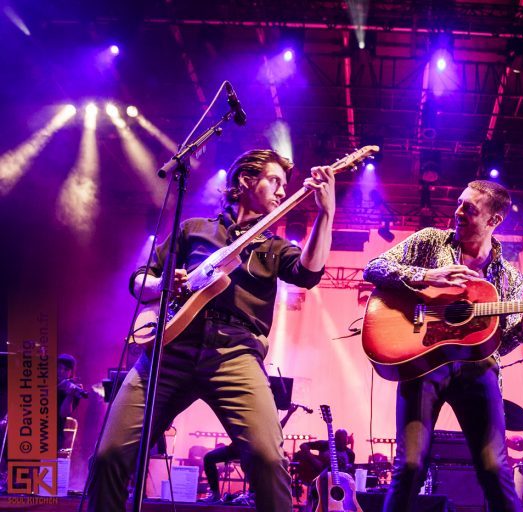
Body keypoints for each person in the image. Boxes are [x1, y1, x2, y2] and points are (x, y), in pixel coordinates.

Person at [87, 149, 336, 512]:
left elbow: (308, 273)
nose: (283, 191)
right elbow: (140, 281)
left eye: (286, 184)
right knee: (109, 455)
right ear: (245, 181)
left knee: (269, 462)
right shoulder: (193, 229)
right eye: (274, 181)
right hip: (170, 350)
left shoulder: (275, 246)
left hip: (235, 354)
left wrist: (325, 213)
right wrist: (161, 285)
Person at [362, 180, 523, 512]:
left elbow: (498, 345)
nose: (458, 212)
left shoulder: (510, 279)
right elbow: (374, 268)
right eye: (459, 203)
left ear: (494, 220)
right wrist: (427, 277)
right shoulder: (429, 242)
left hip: (477, 371)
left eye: (470, 208)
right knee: (409, 465)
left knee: (495, 469)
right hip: (423, 364)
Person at [201, 403, 301, 503]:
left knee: (249, 461)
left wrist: (289, 414)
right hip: (236, 447)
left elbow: (277, 429)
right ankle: (215, 495)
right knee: (209, 458)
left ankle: (252, 494)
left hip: (251, 449)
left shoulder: (264, 415)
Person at [57, 353, 88, 454]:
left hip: (53, 435)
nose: (61, 371)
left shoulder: (73, 389)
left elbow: (63, 413)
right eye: (59, 367)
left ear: (71, 373)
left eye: (66, 370)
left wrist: (70, 395)